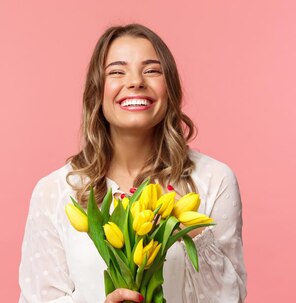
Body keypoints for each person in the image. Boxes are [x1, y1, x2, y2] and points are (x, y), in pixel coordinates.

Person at [18, 24, 247, 302]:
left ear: (170, 88)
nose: (136, 81)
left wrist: (191, 228)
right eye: (116, 71)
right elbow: (39, 298)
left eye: (152, 70)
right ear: (97, 90)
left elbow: (229, 297)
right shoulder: (55, 192)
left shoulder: (212, 179)